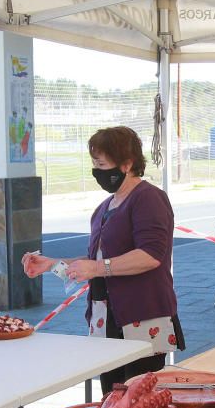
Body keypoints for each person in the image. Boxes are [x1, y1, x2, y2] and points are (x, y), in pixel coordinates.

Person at [23, 126, 183, 394]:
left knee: (138, 400)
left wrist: (98, 268)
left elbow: (151, 255)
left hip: (141, 317)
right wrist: (52, 264)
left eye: (101, 164)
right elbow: (96, 260)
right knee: (111, 397)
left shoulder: (148, 198)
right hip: (105, 318)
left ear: (127, 164)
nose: (97, 171)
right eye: (94, 163)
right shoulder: (105, 207)